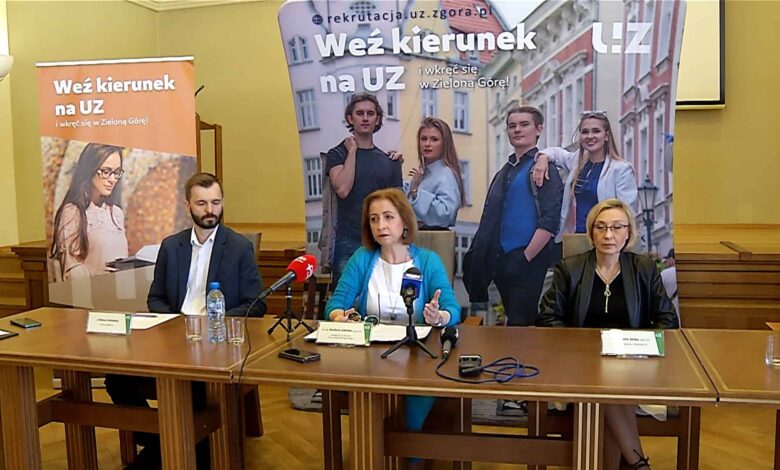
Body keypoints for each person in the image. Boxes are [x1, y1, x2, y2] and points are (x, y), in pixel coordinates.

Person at [105, 172, 265, 470]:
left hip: (216, 343)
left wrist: (212, 325)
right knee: (117, 379)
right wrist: (177, 325)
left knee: (194, 389)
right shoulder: (171, 246)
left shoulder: (238, 247)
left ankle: (165, 453)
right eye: (202, 203)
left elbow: (255, 304)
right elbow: (156, 298)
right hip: (174, 339)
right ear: (187, 205)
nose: (210, 210)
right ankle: (160, 442)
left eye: (216, 202)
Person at [537, 198, 678, 470]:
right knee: (607, 386)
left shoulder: (644, 269)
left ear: (628, 232)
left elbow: (667, 320)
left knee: (610, 387)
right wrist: (580, 349)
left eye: (616, 227)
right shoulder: (570, 268)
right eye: (600, 227)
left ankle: (636, 465)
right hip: (579, 367)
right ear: (592, 233)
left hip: (634, 364)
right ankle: (638, 464)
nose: (608, 235)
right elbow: (547, 317)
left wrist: (642, 346)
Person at [325, 188, 459, 458]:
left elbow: (452, 310)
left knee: (411, 411)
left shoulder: (427, 261)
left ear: (404, 222)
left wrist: (438, 317)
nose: (381, 226)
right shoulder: (363, 259)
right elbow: (334, 305)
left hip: (418, 358)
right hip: (371, 359)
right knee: (369, 409)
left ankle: (409, 457)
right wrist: (341, 317)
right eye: (374, 219)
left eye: (388, 217)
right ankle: (372, 455)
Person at [463, 105, 563, 326]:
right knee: (512, 323)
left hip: (528, 258)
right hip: (503, 259)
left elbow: (550, 220)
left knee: (521, 324)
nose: (517, 130)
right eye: (512, 126)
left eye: (524, 124)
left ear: (538, 129)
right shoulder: (506, 171)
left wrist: (525, 258)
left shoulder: (543, 168)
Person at [321, 93, 403, 285]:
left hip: (380, 240)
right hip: (347, 240)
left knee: (378, 298)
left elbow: (398, 207)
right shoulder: (337, 154)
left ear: (377, 119)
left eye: (370, 113)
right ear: (350, 118)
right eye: (360, 113)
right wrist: (352, 151)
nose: (365, 118)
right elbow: (342, 189)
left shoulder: (389, 161)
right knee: (344, 298)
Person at [532, 110, 639, 243]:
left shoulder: (621, 169)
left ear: (606, 136)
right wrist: (543, 158)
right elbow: (556, 153)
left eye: (596, 131)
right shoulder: (578, 161)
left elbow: (627, 212)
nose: (590, 136)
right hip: (577, 239)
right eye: (585, 132)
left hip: (605, 241)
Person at [50, 142, 129, 280]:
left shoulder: (116, 213)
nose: (112, 179)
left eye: (116, 172)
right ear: (90, 169)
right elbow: (70, 272)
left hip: (123, 291)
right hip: (93, 292)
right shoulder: (72, 212)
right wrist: (97, 275)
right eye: (106, 172)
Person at [407, 117, 464, 229]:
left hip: (433, 236)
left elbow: (446, 214)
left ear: (445, 144)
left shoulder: (446, 175)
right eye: (423, 139)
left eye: (434, 139)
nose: (427, 144)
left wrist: (415, 193)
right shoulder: (423, 174)